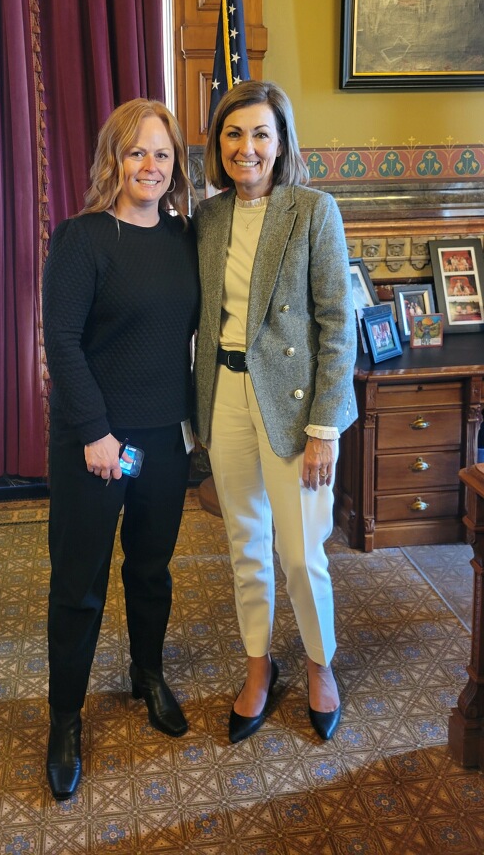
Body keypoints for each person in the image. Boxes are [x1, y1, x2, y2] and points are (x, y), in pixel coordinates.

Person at [42, 98, 200, 799]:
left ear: (175, 165)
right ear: (115, 158)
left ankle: (148, 674)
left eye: (162, 153)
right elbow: (63, 343)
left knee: (152, 569)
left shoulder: (184, 239)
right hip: (96, 448)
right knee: (79, 584)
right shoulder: (82, 238)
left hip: (162, 443)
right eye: (137, 152)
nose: (150, 165)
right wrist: (97, 434)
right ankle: (66, 717)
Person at [194, 80, 357, 744]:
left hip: (296, 411)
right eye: (234, 134)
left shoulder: (314, 211)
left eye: (261, 133)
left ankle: (320, 665)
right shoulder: (206, 219)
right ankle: (258, 666)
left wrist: (323, 430)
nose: (247, 147)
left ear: (283, 141)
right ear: (218, 144)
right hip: (225, 397)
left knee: (299, 551)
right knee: (246, 547)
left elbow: (336, 324)